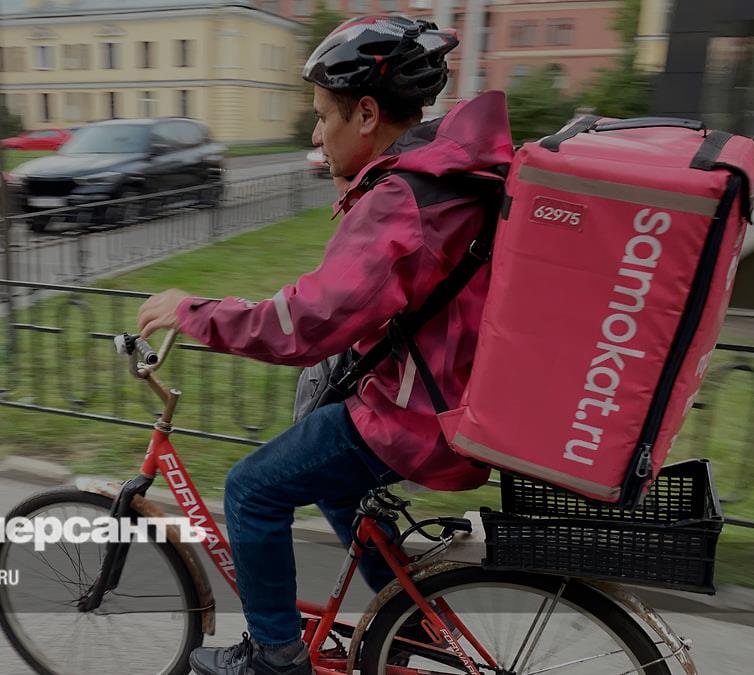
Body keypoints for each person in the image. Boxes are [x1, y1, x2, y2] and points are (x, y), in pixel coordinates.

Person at [135, 15, 515, 675]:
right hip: (448, 400)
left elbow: (305, 323)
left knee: (251, 489)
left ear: (365, 113)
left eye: (321, 116)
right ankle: (412, 624)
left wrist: (192, 312)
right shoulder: (442, 175)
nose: (315, 134)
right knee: (337, 489)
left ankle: (274, 655)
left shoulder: (403, 200)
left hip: (413, 417)